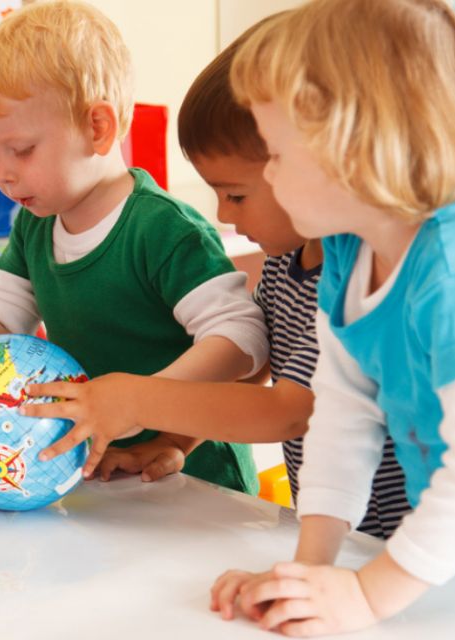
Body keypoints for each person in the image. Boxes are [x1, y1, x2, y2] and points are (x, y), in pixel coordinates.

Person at [22, 18, 412, 539]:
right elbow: (252, 370)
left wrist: (135, 398)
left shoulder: (360, 275)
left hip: (406, 546)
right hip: (344, 537)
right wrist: (177, 441)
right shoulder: (285, 263)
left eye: (238, 195)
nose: (225, 217)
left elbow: (290, 412)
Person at [0, 0, 269, 495]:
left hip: (195, 477)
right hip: (98, 473)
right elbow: (4, 313)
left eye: (21, 149)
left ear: (97, 128)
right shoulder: (35, 225)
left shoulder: (163, 229)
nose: (3, 173)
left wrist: (143, 403)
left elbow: (243, 338)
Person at [203, 0, 455, 637]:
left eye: (274, 154)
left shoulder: (451, 279)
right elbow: (343, 414)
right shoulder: (348, 254)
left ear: (354, 151)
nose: (266, 175)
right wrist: (307, 572)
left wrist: (368, 597)